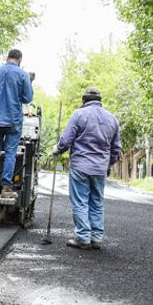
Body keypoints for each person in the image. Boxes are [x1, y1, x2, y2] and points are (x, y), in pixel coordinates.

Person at [53, 87, 121, 249]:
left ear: (84, 100)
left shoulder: (79, 115)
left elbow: (66, 140)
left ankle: (83, 237)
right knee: (97, 202)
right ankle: (96, 237)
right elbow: (116, 148)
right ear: (99, 100)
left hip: (81, 166)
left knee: (80, 202)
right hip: (100, 168)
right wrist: (108, 164)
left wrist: (57, 149)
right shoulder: (112, 119)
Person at [0, 49, 35, 200]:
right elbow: (27, 98)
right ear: (20, 59)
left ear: (7, 58)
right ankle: (6, 188)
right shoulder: (22, 74)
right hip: (13, 120)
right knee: (10, 154)